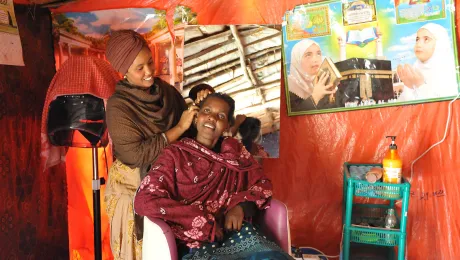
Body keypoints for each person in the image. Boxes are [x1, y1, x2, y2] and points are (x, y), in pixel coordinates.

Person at [134, 93, 292, 259]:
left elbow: (262, 185)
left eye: (221, 115)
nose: (211, 118)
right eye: (207, 111)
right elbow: (145, 200)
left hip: (236, 234)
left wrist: (241, 207)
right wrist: (202, 221)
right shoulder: (174, 155)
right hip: (192, 242)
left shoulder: (236, 154)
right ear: (196, 117)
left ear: (227, 126)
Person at [103, 30, 209, 260]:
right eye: (139, 68)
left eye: (150, 62)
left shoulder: (166, 92)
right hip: (134, 191)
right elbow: (136, 154)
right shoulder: (118, 107)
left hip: (173, 189)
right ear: (123, 71)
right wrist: (178, 129)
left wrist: (199, 110)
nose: (149, 71)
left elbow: (189, 133)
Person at [397, 23, 458, 101]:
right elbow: (403, 109)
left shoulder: (450, 72)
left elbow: (446, 107)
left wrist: (420, 85)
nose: (418, 44)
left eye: (426, 39)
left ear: (439, 44)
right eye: (417, 39)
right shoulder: (415, 69)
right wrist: (409, 87)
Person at [287, 39, 337, 111]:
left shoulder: (325, 80)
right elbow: (295, 118)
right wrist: (315, 97)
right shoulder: (290, 86)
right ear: (297, 60)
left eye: (318, 54)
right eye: (308, 55)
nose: (315, 59)